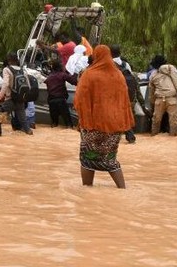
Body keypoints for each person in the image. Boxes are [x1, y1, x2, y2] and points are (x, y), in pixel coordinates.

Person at [73, 45, 135, 189]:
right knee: (110, 158)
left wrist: (84, 118)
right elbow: (124, 100)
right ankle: (122, 188)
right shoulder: (118, 75)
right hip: (114, 125)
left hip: (92, 124)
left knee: (88, 157)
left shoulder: (89, 74)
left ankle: (87, 190)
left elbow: (79, 100)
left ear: (95, 56)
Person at [110, 44, 150, 143]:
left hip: (114, 94)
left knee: (112, 115)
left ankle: (113, 137)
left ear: (110, 53)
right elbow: (132, 79)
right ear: (119, 53)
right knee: (125, 115)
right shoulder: (126, 64)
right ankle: (130, 136)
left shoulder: (108, 64)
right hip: (127, 94)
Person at [0, 52, 33, 136]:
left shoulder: (6, 69)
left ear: (8, 60)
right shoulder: (22, 70)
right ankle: (30, 134)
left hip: (9, 100)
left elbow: (6, 84)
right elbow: (28, 85)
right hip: (20, 100)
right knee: (24, 124)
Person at [148, 54, 177, 136]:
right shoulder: (171, 68)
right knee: (174, 119)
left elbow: (151, 91)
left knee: (156, 119)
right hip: (172, 98)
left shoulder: (153, 75)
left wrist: (152, 102)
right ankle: (173, 136)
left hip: (159, 99)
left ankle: (154, 134)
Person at [44, 60, 77, 128]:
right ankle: (69, 126)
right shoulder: (62, 75)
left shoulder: (49, 77)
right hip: (60, 99)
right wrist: (75, 74)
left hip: (51, 100)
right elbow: (74, 82)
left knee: (54, 123)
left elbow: (47, 84)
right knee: (68, 122)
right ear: (60, 67)